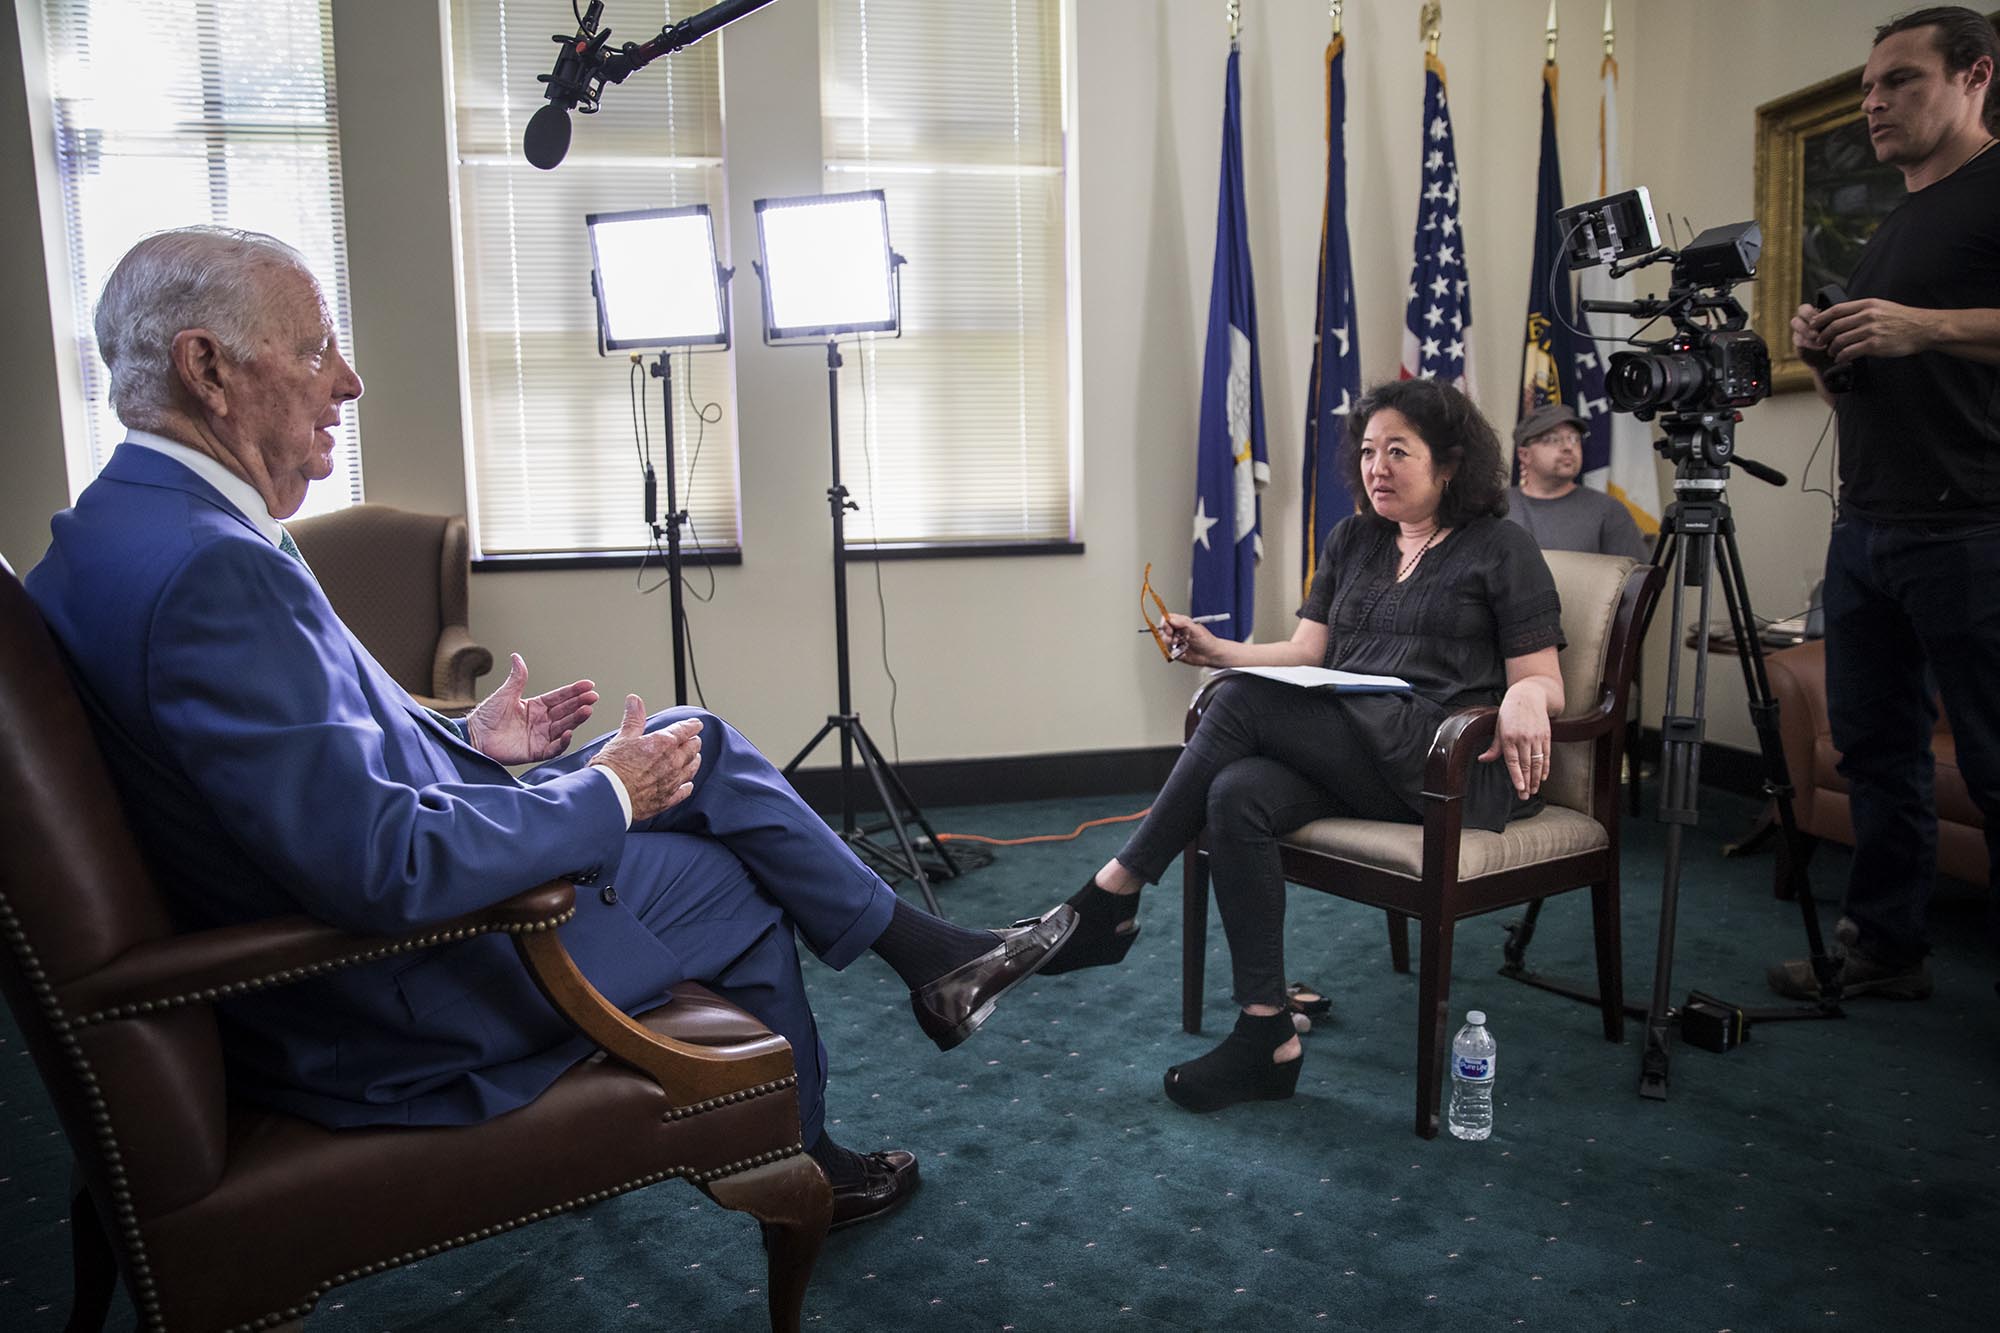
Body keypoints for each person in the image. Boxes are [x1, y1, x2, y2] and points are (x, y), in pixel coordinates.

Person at [24, 226, 1076, 1230]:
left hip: (340, 921)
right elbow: (379, 867)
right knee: (739, 880)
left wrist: (468, 747)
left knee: (687, 733)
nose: (345, 381)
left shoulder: (114, 532)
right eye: (314, 350)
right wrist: (607, 791)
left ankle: (926, 959)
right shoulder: (213, 566)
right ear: (205, 368)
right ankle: (804, 1156)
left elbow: (279, 761)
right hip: (388, 989)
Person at [1041, 378, 1566, 1112]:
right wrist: (1217, 649)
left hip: (1448, 766)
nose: (1376, 465)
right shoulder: (1354, 538)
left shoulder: (1501, 548)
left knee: (1244, 704)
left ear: (1449, 464)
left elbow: (1546, 681)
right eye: (1368, 450)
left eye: (1398, 451)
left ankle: (1113, 894)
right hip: (1359, 748)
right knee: (1237, 792)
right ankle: (1267, 1036)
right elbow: (1305, 652)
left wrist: (1520, 696)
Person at [1773, 5, 2000, 1001]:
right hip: (1865, 525)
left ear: (1973, 76)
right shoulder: (1887, 228)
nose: (1872, 101)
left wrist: (1922, 325)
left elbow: (1929, 337)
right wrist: (1827, 355)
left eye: (1899, 80)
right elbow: (1865, 386)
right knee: (1874, 745)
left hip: (1971, 524)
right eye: (1866, 86)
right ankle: (1884, 944)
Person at [1505, 401, 1651, 560]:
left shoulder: (1608, 511)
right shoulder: (1498, 507)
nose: (1568, 447)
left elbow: (1636, 581)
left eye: (1574, 438)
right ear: (1524, 455)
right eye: (1553, 439)